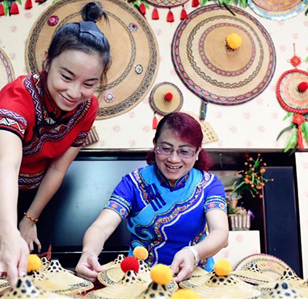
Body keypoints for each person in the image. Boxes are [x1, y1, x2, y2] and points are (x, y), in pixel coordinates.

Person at [0, 2, 111, 299]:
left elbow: (58, 167)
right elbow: (6, 165)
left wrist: (29, 220)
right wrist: (7, 234)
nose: (74, 93)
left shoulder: (88, 107)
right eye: (66, 77)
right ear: (46, 62)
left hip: (38, 191)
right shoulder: (16, 97)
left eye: (89, 84)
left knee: (35, 268)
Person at [75, 112, 229, 283]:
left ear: (197, 152)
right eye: (166, 148)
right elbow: (102, 227)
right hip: (141, 278)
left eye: (184, 151)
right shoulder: (133, 183)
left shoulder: (209, 185)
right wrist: (88, 252)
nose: (173, 158)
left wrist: (194, 253)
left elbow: (220, 232)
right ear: (155, 145)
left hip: (195, 276)